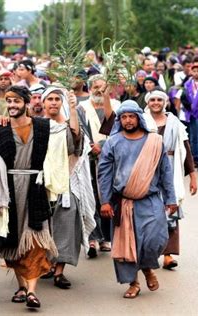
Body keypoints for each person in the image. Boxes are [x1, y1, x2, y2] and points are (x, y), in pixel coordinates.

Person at [0, 85, 68, 309]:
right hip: (7, 191)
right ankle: (22, 286)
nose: (12, 105)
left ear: (26, 103)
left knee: (35, 241)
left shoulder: (44, 128)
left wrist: (69, 103)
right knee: (11, 243)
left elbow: (68, 138)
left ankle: (31, 292)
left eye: (16, 101)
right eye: (9, 101)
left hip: (35, 188)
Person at [98, 100, 177, 299]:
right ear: (119, 120)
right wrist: (105, 201)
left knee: (155, 240)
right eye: (123, 117)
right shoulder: (113, 142)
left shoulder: (154, 141)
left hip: (150, 200)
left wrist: (171, 198)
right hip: (123, 202)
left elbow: (166, 172)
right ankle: (133, 283)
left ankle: (148, 268)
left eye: (131, 116)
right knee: (126, 245)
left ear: (139, 118)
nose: (128, 120)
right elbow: (104, 174)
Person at [41, 86, 96, 289]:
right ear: (43, 103)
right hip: (42, 183)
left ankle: (59, 271)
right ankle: (45, 264)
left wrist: (73, 109)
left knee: (66, 224)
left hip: (67, 182)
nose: (54, 102)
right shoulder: (37, 126)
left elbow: (76, 143)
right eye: (50, 99)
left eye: (57, 99)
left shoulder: (68, 126)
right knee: (43, 227)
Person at [145, 89, 197, 269]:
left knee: (171, 207)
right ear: (148, 102)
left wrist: (192, 177)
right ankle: (150, 253)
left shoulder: (175, 123)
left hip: (171, 166)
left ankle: (168, 255)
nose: (156, 102)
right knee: (149, 211)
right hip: (148, 169)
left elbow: (186, 149)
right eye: (153, 100)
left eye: (160, 99)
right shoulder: (141, 121)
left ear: (165, 102)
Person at [77, 74, 119, 257]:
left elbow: (118, 130)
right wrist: (90, 146)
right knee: (90, 195)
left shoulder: (116, 106)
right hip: (88, 157)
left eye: (103, 87)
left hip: (110, 158)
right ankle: (92, 238)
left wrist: (103, 147)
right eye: (95, 87)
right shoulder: (82, 108)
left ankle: (107, 238)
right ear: (90, 88)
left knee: (107, 196)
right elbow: (79, 129)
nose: (99, 90)